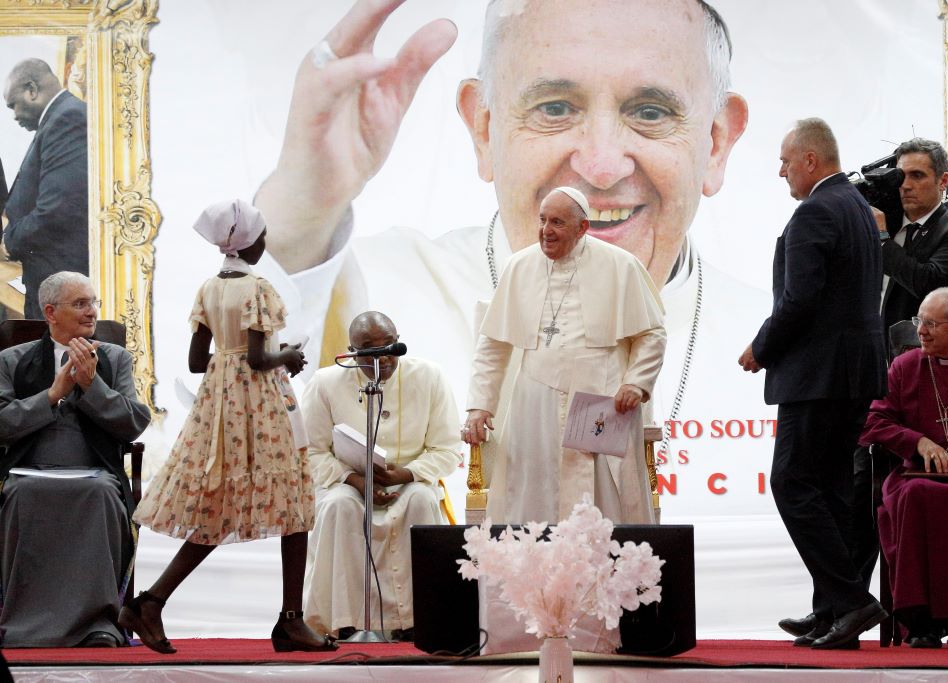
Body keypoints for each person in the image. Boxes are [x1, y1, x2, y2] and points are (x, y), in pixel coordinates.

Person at [251, 0, 767, 521]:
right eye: (556, 108)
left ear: (717, 142)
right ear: (484, 129)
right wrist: (302, 213)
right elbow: (247, 448)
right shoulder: (372, 289)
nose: (603, 166)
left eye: (650, 112)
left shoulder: (790, 338)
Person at [123, 200, 335, 654]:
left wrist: (232, 358)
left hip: (220, 404)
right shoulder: (258, 288)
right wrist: (290, 357)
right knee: (295, 504)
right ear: (250, 243)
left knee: (218, 506)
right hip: (260, 405)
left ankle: (151, 601)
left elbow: (198, 361)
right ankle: (290, 620)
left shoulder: (209, 288)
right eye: (262, 237)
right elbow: (260, 359)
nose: (265, 243)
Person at [738, 118, 888, 649]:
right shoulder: (855, 207)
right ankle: (832, 609)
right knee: (827, 489)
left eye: (785, 161)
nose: (780, 172)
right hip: (852, 372)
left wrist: (761, 347)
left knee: (793, 483)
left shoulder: (816, 212)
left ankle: (849, 601)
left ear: (809, 160)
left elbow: (800, 301)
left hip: (819, 375)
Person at [463, 187, 665, 524]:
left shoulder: (620, 265)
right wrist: (480, 405)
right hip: (535, 400)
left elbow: (652, 333)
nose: (546, 231)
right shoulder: (519, 266)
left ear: (583, 227)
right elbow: (493, 344)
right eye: (542, 220)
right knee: (534, 492)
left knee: (602, 496)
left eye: (557, 222)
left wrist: (637, 382)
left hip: (602, 395)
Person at [0, 271, 150, 648]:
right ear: (50, 312)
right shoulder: (12, 360)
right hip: (28, 469)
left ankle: (98, 625)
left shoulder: (114, 359)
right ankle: (17, 624)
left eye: (93, 302)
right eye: (80, 304)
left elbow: (134, 422)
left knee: (100, 493)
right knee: (21, 492)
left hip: (93, 470)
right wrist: (51, 395)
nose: (92, 312)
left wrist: (91, 385)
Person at [301, 311, 461, 640]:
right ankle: (344, 622)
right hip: (348, 483)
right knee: (339, 507)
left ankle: (417, 622)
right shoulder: (326, 382)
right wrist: (356, 480)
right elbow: (310, 453)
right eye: (369, 350)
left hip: (408, 483)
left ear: (399, 340)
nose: (381, 357)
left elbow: (447, 450)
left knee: (420, 500)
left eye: (388, 346)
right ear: (351, 351)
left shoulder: (429, 376)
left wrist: (407, 473)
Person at [860, 288, 948, 649]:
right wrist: (916, 441)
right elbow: (873, 420)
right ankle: (920, 622)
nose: (920, 331)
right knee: (916, 496)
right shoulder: (904, 366)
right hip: (913, 476)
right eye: (918, 321)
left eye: (930, 324)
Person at [1, 59, 88, 319]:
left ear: (31, 89)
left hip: (59, 285)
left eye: (13, 104)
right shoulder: (58, 119)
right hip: (50, 282)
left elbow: (57, 208)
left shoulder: (67, 118)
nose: (14, 115)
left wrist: (8, 242)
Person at [877, 138, 948, 338]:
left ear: (943, 181)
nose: (906, 185)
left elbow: (929, 284)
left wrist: (881, 240)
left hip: (929, 356)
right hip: (873, 353)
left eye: (917, 176)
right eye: (900, 177)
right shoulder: (887, 224)